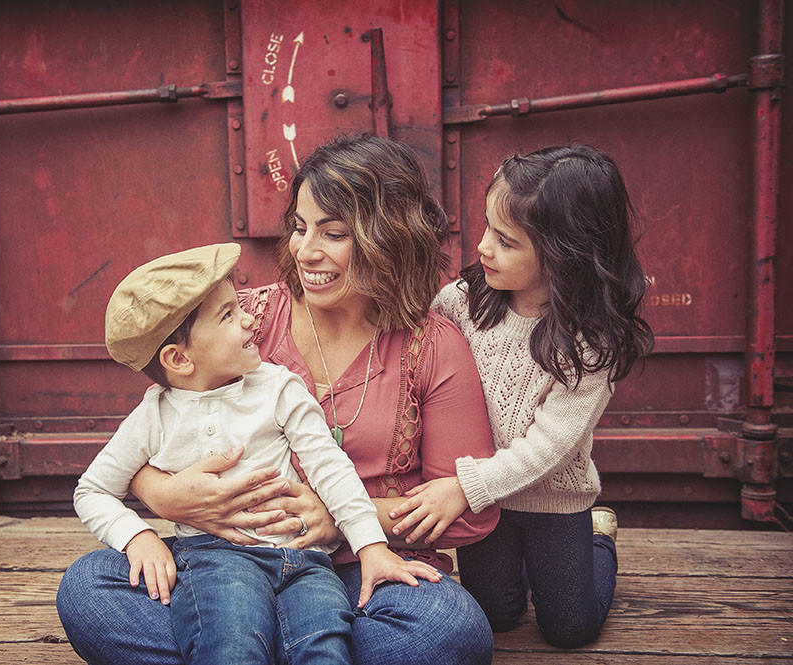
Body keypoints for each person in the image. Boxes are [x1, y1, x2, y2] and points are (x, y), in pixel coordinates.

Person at [56, 133, 500, 665]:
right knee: (89, 589)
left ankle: (246, 650)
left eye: (333, 234)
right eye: (299, 227)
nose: (304, 250)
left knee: (449, 627)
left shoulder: (434, 346)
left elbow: (470, 515)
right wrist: (163, 496)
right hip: (223, 560)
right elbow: (161, 422)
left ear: (389, 238)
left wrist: (340, 518)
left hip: (364, 566)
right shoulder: (242, 319)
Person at [76, 241, 443, 665]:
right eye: (228, 315)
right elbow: (92, 490)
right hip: (217, 561)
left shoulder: (277, 387)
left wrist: (371, 548)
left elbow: (331, 468)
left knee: (325, 645)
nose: (250, 320)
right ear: (179, 359)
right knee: (232, 643)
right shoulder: (154, 416)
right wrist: (137, 536)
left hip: (305, 562)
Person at [392, 144, 654, 648]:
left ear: (564, 257)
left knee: (570, 629)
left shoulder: (589, 343)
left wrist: (465, 487)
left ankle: (598, 539)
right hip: (483, 502)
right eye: (487, 228)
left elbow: (549, 445)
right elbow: (409, 352)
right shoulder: (462, 304)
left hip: (552, 500)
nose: (484, 247)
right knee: (497, 617)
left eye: (506, 241)